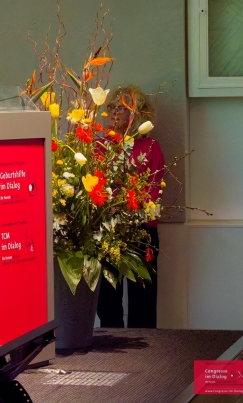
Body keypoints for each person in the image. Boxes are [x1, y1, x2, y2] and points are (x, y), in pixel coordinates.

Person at [96, 86, 164, 329]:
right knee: (107, 300)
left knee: (142, 302)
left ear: (136, 114)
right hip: (108, 231)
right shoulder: (100, 145)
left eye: (121, 108)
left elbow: (153, 192)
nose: (114, 113)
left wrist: (129, 213)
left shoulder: (151, 147)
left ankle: (145, 347)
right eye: (111, 107)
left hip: (141, 231)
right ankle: (110, 345)